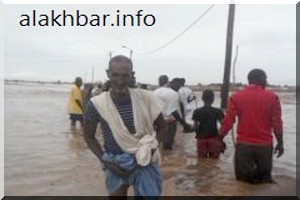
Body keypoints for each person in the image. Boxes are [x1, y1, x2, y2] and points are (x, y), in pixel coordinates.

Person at [83, 55, 166, 197]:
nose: (120, 81)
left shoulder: (146, 98)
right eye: (115, 75)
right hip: (114, 162)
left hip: (144, 160)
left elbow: (163, 127)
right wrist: (105, 161)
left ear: (132, 75)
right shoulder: (96, 104)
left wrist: (151, 150)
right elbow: (89, 137)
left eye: (125, 76)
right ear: (107, 73)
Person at [219, 69, 284, 184]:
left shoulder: (236, 97)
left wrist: (219, 139)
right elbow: (277, 123)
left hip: (244, 146)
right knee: (264, 183)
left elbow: (228, 122)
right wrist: (280, 143)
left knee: (243, 184)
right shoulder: (273, 97)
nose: (266, 82)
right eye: (265, 79)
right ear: (261, 79)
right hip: (264, 147)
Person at [154, 76, 191, 150]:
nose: (179, 88)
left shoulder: (156, 92)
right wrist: (185, 124)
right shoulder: (173, 93)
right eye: (179, 86)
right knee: (167, 147)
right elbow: (173, 111)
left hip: (155, 122)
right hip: (168, 123)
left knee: (156, 145)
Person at [192, 90, 225, 159]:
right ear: (213, 99)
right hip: (214, 138)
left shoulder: (197, 111)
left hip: (201, 139)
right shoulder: (218, 111)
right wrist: (220, 137)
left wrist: (189, 129)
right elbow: (224, 125)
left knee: (201, 161)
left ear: (202, 98)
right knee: (214, 161)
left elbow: (195, 127)